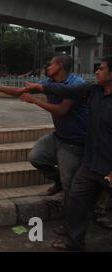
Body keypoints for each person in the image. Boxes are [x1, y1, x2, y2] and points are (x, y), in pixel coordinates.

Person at [0, 55, 88, 222]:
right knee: (36, 157)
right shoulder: (50, 82)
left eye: (51, 64)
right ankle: (58, 181)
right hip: (59, 136)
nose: (47, 67)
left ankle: (72, 225)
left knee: (71, 186)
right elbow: (19, 91)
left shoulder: (76, 85)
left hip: (74, 142)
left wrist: (34, 100)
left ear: (60, 66)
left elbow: (62, 110)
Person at [25, 56, 112, 251]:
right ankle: (74, 241)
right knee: (77, 199)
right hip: (91, 162)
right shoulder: (92, 91)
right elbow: (65, 90)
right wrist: (41, 88)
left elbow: (63, 109)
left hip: (107, 164)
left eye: (102, 69)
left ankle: (99, 212)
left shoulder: (86, 87)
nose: (97, 71)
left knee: (80, 195)